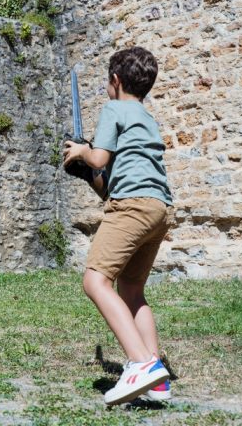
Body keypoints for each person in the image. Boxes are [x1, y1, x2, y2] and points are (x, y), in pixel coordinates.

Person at [63, 47, 173, 405]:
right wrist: (89, 175)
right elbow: (110, 184)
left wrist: (81, 152)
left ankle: (141, 364)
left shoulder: (114, 108)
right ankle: (156, 380)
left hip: (132, 207)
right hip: (158, 208)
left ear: (115, 81)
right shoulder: (146, 118)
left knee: (95, 280)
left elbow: (98, 157)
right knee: (131, 287)